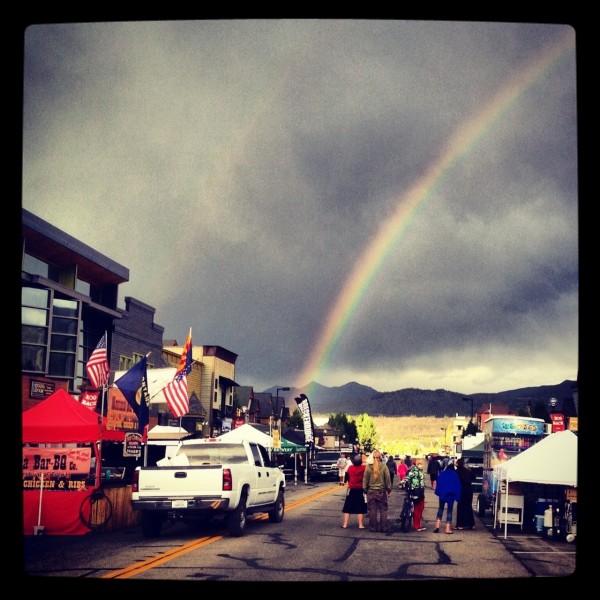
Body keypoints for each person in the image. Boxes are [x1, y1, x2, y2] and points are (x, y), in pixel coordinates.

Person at [363, 449, 392, 533]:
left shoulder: (368, 467)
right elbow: (387, 479)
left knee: (372, 510)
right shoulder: (384, 466)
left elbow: (365, 480)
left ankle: (373, 528)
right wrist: (389, 489)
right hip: (381, 492)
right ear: (380, 457)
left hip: (371, 492)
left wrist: (365, 490)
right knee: (383, 510)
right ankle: (384, 528)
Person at [434, 460, 462, 534]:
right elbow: (458, 486)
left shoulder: (442, 473)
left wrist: (438, 492)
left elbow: (439, 482)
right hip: (451, 496)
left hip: (443, 494)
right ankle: (447, 529)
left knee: (440, 509)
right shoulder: (455, 475)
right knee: (449, 511)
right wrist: (457, 497)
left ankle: (437, 526)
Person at [400, 458, 427, 531]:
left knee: (419, 508)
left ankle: (417, 525)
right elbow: (408, 477)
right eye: (420, 464)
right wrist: (401, 482)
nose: (422, 465)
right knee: (418, 508)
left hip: (418, 491)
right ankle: (416, 525)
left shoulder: (418, 471)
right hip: (417, 491)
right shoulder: (415, 471)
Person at [341, 454, 367, 529]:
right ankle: (360, 524)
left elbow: (346, 478)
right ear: (361, 462)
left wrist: (347, 482)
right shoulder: (364, 468)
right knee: (360, 507)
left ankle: (345, 524)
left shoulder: (350, 468)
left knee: (348, 507)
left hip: (351, 489)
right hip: (360, 489)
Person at [454, 458, 475, 530]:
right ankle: (471, 524)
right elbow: (474, 477)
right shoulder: (467, 471)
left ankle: (460, 525)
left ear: (458, 464)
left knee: (460, 507)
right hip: (469, 490)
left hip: (461, 491)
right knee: (468, 507)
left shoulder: (457, 471)